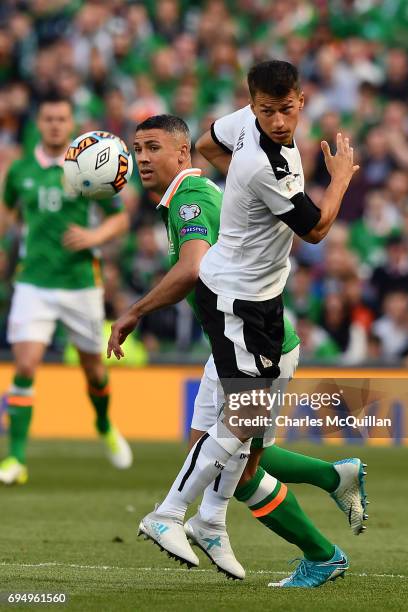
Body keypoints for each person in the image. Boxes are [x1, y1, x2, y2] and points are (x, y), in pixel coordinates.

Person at [107, 112, 367, 585]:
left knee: (241, 462)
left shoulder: (190, 199)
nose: (142, 158)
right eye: (137, 148)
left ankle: (318, 548)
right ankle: (224, 518)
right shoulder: (190, 195)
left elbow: (193, 269)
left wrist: (133, 312)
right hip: (230, 338)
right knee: (221, 454)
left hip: (258, 338)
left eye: (153, 148)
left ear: (182, 152)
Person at [0, 94, 132, 485]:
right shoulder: (20, 169)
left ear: (71, 122)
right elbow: (7, 214)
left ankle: (104, 424)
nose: (55, 125)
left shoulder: (86, 166)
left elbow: (119, 219)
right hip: (33, 282)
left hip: (80, 284)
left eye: (62, 118)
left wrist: (94, 236)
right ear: (38, 123)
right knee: (25, 365)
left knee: (93, 370)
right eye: (48, 118)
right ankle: (16, 459)